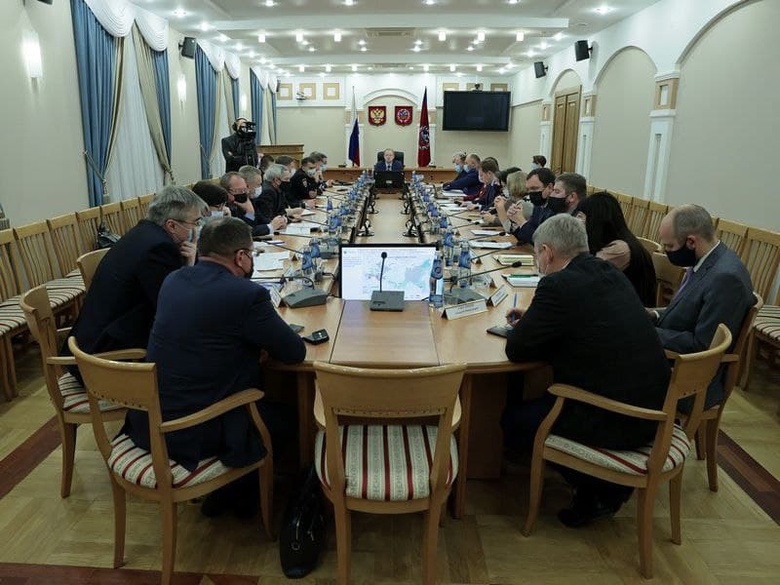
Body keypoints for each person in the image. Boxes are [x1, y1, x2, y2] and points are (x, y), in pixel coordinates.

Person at [123, 217, 306, 517]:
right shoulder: (247, 295)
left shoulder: (173, 280)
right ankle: (240, 497)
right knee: (292, 414)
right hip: (192, 431)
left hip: (150, 418)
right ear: (241, 257)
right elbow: (294, 353)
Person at [503, 214, 671, 527]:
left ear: (547, 253)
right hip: (656, 407)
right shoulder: (608, 271)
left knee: (512, 420)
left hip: (617, 418)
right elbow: (591, 318)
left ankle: (601, 489)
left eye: (537, 253)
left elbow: (517, 349)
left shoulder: (556, 284)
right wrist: (541, 319)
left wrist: (534, 324)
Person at [64, 186, 207, 380]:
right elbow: (175, 307)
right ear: (172, 225)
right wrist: (190, 266)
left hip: (94, 343)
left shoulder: (145, 232)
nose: (197, 228)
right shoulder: (159, 248)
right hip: (108, 360)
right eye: (196, 222)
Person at [651, 204, 755, 408]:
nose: (666, 251)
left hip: (691, 383)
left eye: (669, 247)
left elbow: (702, 346)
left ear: (691, 242)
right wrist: (653, 314)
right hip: (674, 362)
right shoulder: (709, 261)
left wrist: (645, 331)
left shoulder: (726, 279)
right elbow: (686, 311)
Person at [576, 191, 656, 306]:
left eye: (581, 217)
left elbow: (583, 277)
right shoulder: (610, 242)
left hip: (628, 311)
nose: (578, 222)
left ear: (596, 221)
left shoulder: (619, 249)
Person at [220, 172, 286, 236]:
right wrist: (250, 212)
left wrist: (278, 223)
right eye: (239, 190)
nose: (245, 192)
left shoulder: (247, 201)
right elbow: (244, 230)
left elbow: (261, 221)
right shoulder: (223, 208)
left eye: (245, 189)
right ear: (227, 191)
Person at [507, 167, 557, 244]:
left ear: (550, 187)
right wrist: (515, 219)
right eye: (528, 189)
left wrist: (521, 220)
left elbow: (540, 241)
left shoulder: (555, 209)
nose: (531, 193)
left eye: (534, 188)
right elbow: (523, 235)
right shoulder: (538, 206)